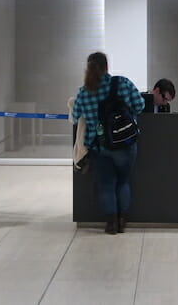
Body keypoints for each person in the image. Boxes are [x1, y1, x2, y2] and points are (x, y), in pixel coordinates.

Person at [72, 52, 144, 235]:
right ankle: (122, 221)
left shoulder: (84, 91)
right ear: (107, 67)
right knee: (123, 182)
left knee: (106, 185)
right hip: (125, 144)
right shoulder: (122, 83)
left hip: (100, 146)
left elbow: (75, 116)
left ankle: (110, 223)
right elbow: (140, 105)